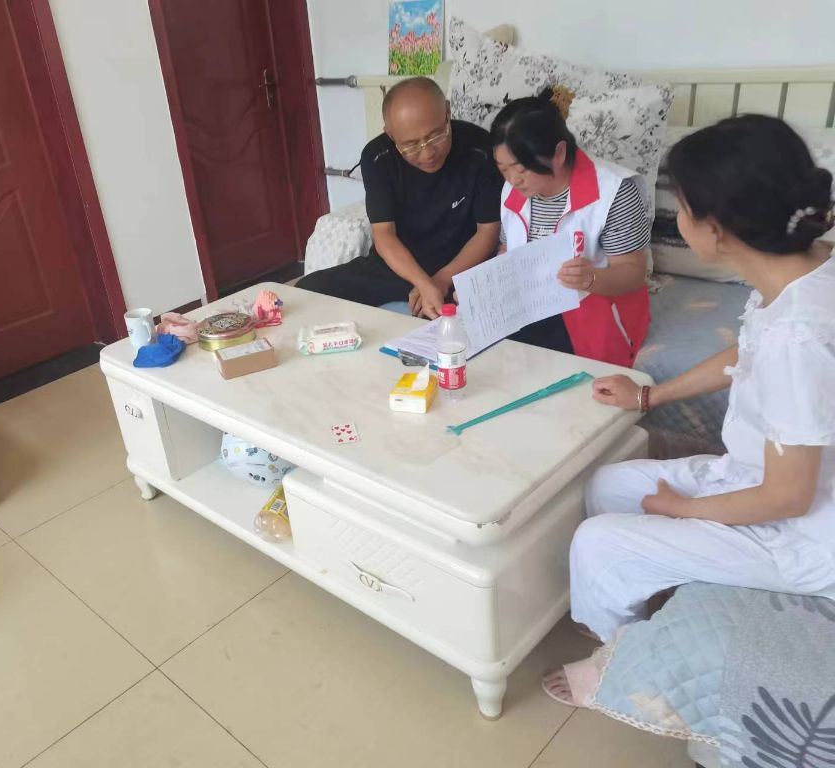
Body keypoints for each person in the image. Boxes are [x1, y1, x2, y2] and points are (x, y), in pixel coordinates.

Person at [543, 114, 835, 707]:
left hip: (804, 535)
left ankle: (621, 665)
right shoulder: (806, 267)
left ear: (716, 230)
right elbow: (746, 352)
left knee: (597, 542)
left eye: (679, 206)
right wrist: (648, 396)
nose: (674, 217)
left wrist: (685, 510)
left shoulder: (799, 337)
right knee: (606, 485)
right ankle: (639, 596)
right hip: (757, 475)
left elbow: (788, 498)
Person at [297, 77, 502, 320]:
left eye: (437, 135)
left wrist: (441, 281)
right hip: (399, 266)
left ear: (447, 112)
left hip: (459, 268)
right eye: (411, 146)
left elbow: (487, 233)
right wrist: (423, 283)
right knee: (307, 291)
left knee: (470, 318)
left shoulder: (480, 149)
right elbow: (384, 235)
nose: (427, 153)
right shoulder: (377, 157)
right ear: (391, 135)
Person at [492, 88, 652, 366]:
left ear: (559, 152)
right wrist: (488, 287)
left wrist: (591, 279)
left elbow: (634, 273)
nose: (513, 180)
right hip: (530, 305)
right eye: (503, 169)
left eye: (521, 168)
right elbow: (507, 249)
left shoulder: (615, 191)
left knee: (528, 364)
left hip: (593, 309)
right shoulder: (512, 191)